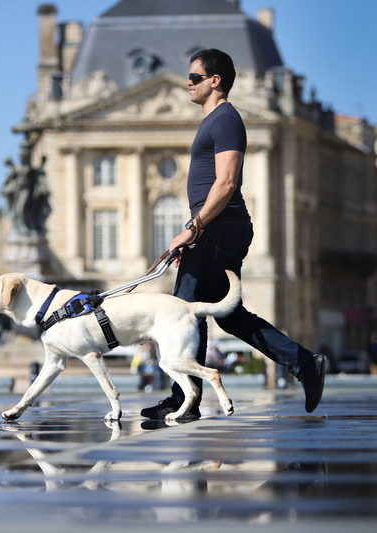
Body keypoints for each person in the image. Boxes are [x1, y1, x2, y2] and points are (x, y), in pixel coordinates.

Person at [141, 49, 327, 421]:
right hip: (218, 228)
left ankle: (183, 399)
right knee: (224, 313)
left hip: (219, 226)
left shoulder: (225, 119)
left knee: (184, 309)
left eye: (195, 77)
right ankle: (304, 363)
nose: (188, 83)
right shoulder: (214, 120)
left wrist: (194, 228)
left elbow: (226, 182)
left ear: (216, 81)